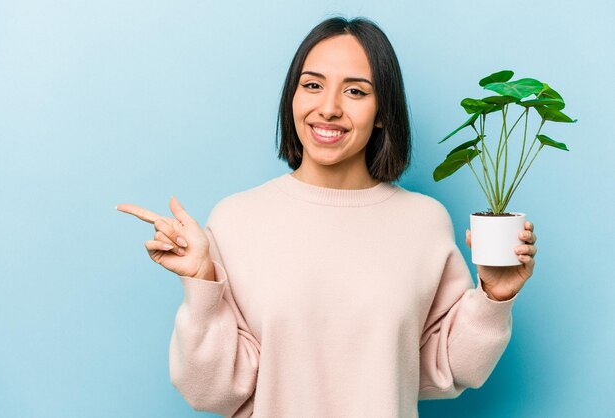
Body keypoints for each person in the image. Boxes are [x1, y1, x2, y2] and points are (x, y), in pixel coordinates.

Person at [116, 16, 537, 418]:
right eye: (312, 85)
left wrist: (494, 298)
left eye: (355, 91)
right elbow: (212, 390)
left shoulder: (424, 222)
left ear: (383, 112)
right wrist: (203, 281)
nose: (329, 108)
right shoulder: (235, 220)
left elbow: (442, 366)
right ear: (292, 97)